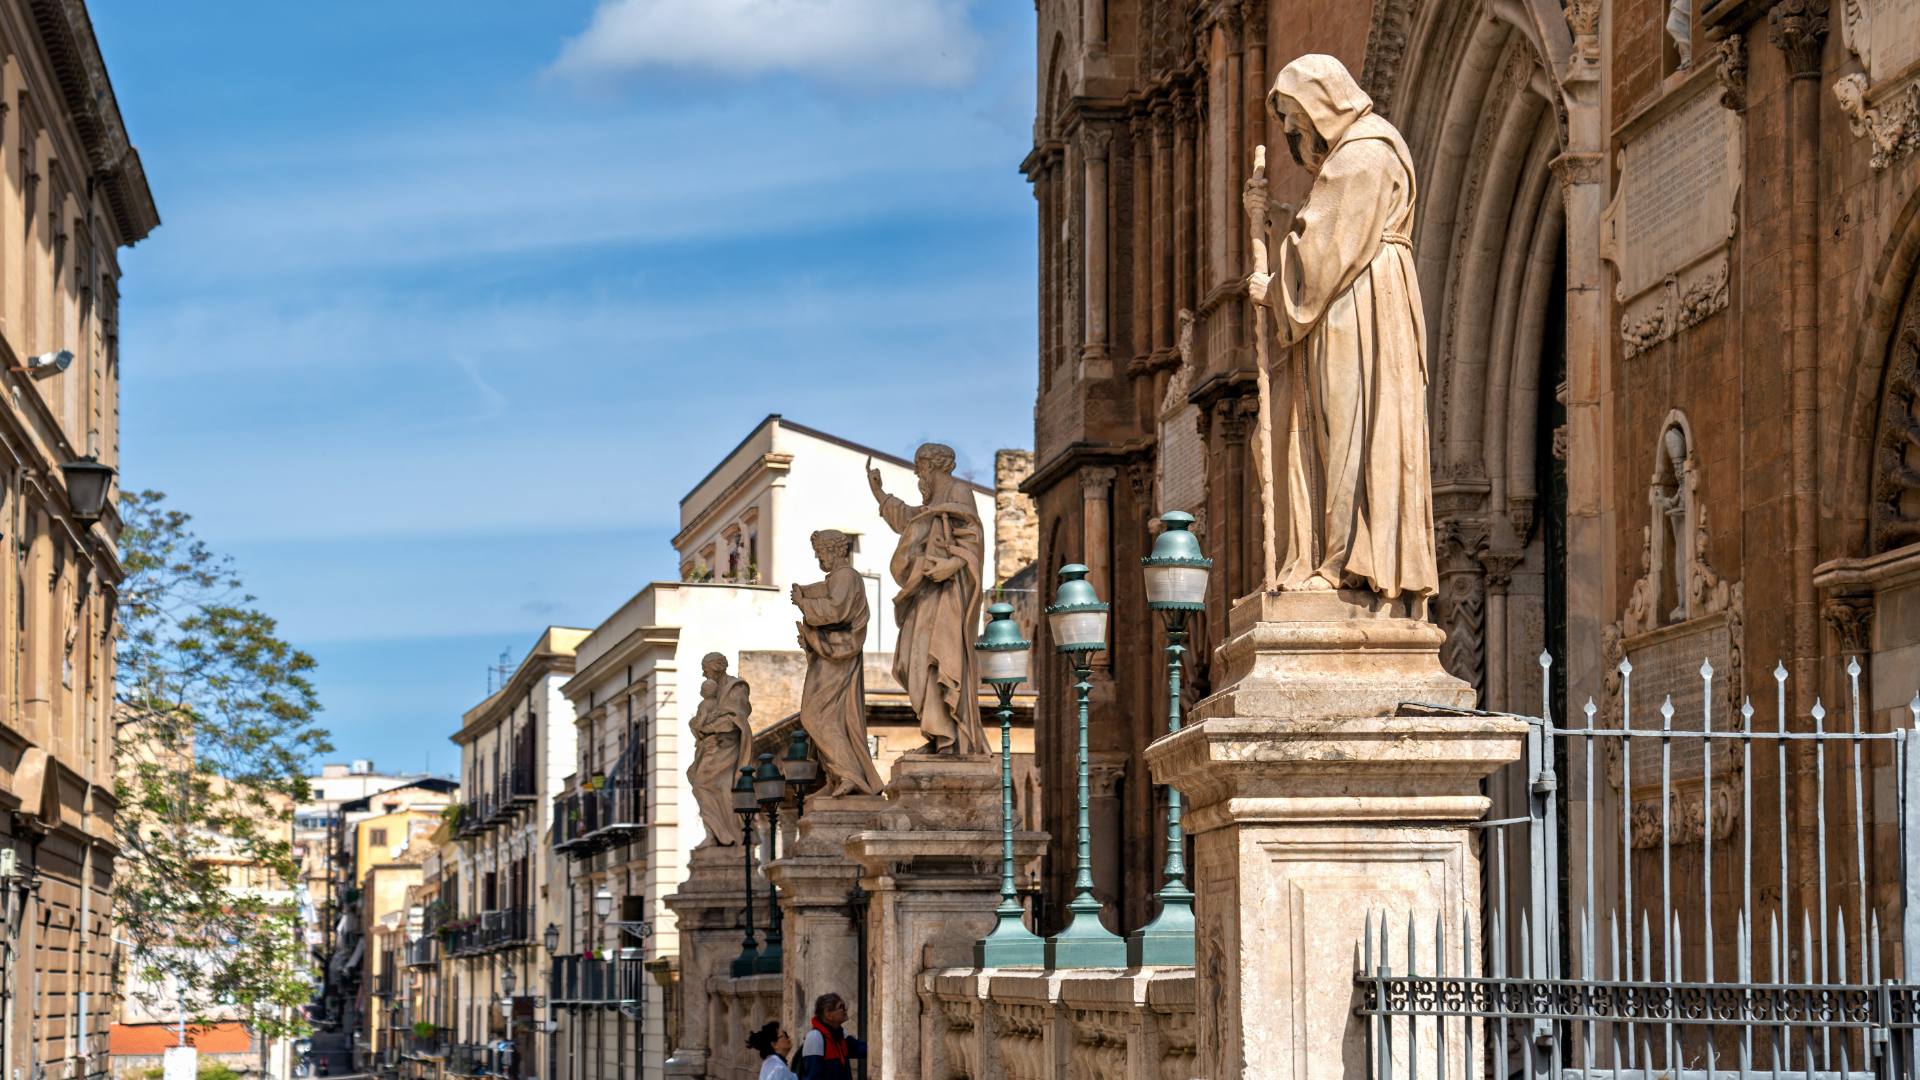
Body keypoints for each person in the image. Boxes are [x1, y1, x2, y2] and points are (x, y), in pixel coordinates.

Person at [1243, 54, 1438, 609]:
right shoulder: (1359, 156)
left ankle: (1345, 560)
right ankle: (1338, 556)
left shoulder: (1365, 155)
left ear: (1322, 103)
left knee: (1350, 426)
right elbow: (1323, 224)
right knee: (1338, 428)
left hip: (1358, 307)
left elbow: (1324, 252)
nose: (1294, 137)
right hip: (1353, 301)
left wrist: (1275, 286)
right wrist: (1274, 214)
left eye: (1297, 123)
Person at [799, 992, 866, 1080]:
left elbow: (861, 1049)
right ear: (828, 1014)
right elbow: (813, 1077)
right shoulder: (815, 1037)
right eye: (840, 1007)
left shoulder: (840, 1034)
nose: (845, 1010)